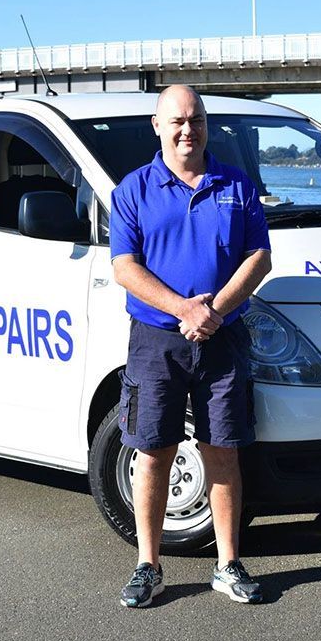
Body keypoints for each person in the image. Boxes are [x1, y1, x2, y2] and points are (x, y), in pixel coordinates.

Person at [109, 85, 272, 607]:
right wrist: (186, 309)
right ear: (157, 126)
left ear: (206, 124)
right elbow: (124, 267)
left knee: (222, 450)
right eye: (177, 120)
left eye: (196, 119)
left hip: (222, 338)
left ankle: (227, 564)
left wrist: (215, 311)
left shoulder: (237, 185)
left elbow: (259, 257)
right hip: (157, 341)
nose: (188, 129)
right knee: (151, 451)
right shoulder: (133, 190)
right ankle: (147, 565)